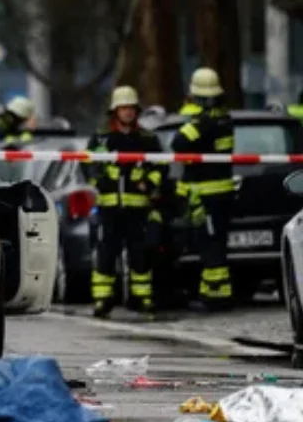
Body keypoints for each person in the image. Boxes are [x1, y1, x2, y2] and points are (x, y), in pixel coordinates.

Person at [84, 86, 165, 319]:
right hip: (109, 208)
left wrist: (148, 183)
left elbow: (161, 166)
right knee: (106, 254)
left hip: (138, 208)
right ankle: (102, 299)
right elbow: (87, 163)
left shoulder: (147, 139)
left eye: (131, 108)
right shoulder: (101, 137)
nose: (128, 112)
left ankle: (143, 297)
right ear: (115, 111)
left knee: (140, 254)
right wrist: (99, 180)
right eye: (123, 108)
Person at [171, 67, 236, 310]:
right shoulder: (225, 120)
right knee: (215, 242)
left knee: (211, 246)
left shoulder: (204, 123)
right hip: (221, 193)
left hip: (208, 194)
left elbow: (178, 142)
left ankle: (217, 296)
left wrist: (191, 118)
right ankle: (211, 291)